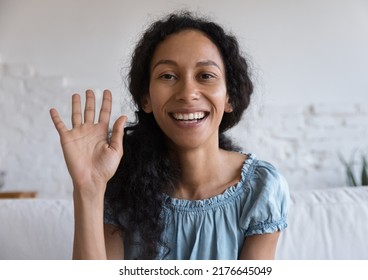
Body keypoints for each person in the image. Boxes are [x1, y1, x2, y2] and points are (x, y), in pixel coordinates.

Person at [49, 11, 289, 260]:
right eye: (168, 76)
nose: (187, 93)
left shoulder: (261, 188)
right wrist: (88, 187)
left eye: (205, 76)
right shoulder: (119, 185)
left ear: (230, 96)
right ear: (146, 98)